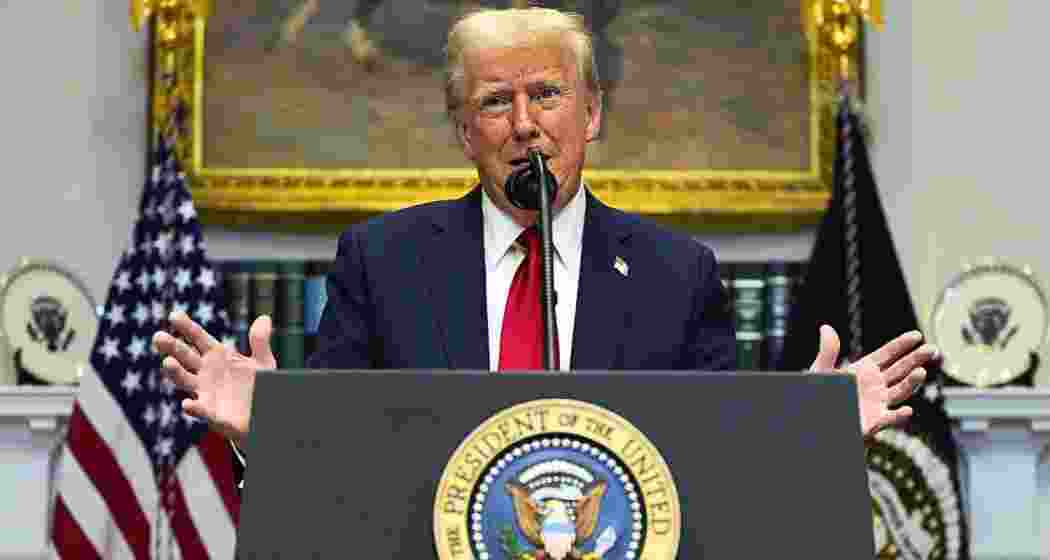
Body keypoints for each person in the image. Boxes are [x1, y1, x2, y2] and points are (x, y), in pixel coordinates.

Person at [154, 8, 932, 459]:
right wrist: (265, 434)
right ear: (464, 130)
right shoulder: (382, 262)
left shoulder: (676, 274)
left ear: (591, 114)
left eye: (547, 94)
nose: (525, 124)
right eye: (496, 102)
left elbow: (712, 463)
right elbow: (334, 466)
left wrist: (811, 440)